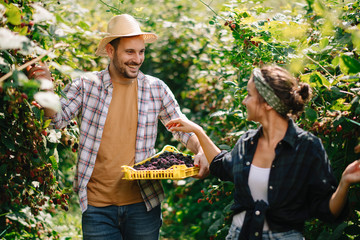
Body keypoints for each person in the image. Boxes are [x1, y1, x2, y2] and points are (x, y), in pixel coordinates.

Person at [27, 14, 208, 240]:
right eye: (129, 52)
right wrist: (45, 89)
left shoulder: (156, 88)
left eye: (141, 52)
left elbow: (182, 129)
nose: (137, 59)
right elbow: (57, 120)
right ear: (111, 51)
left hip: (143, 203)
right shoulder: (86, 85)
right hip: (97, 207)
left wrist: (201, 150)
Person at [166, 65, 360, 240]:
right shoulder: (247, 142)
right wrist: (198, 131)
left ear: (267, 103)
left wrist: (344, 183)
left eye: (249, 95)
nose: (244, 101)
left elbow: (327, 211)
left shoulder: (307, 147)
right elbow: (220, 165)